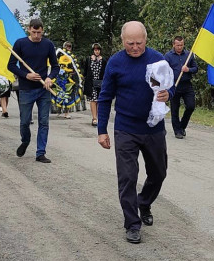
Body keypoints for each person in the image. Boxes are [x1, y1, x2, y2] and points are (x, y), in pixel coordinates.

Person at [97, 21, 171, 244]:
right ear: (122, 41)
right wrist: (102, 130)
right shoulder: (115, 62)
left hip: (153, 128)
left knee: (159, 173)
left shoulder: (158, 59)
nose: (135, 47)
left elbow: (170, 85)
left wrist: (170, 94)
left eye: (139, 43)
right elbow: (105, 97)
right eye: (130, 43)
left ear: (146, 40)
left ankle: (144, 202)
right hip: (125, 129)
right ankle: (132, 224)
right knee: (127, 177)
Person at [7, 18, 55, 163]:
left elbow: (55, 66)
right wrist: (26, 75)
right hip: (26, 89)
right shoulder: (20, 43)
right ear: (29, 29)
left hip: (43, 88)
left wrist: (50, 78)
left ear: (42, 31)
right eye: (34, 32)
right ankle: (25, 140)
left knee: (44, 122)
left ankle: (40, 152)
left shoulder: (48, 44)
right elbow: (11, 65)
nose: (36, 36)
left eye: (39, 33)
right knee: (24, 121)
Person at [164, 36, 200, 139]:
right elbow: (164, 70)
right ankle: (177, 131)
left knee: (190, 106)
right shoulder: (168, 56)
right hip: (174, 85)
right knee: (175, 109)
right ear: (173, 45)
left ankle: (182, 126)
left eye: (181, 45)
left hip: (187, 85)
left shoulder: (189, 55)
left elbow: (195, 68)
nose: (180, 47)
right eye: (178, 45)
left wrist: (188, 69)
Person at [83, 43, 105, 126]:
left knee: (99, 100)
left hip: (100, 82)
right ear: (93, 51)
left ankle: (99, 117)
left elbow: (106, 71)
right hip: (91, 83)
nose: (97, 51)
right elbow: (85, 71)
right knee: (93, 100)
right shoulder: (88, 59)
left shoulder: (103, 60)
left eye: (98, 50)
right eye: (95, 50)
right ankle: (94, 118)